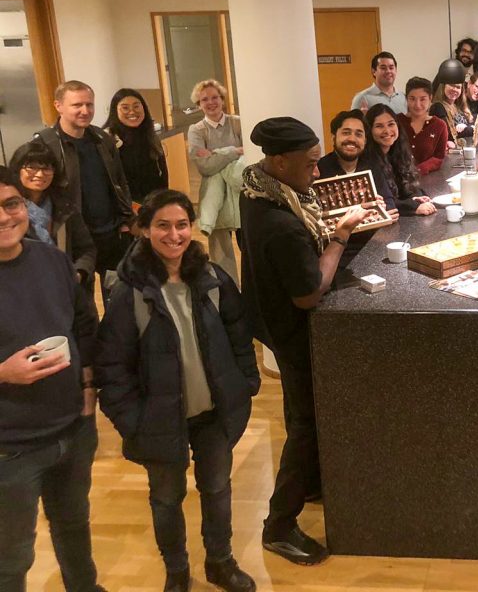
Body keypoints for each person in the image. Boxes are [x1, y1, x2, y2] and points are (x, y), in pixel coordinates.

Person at [96, 190, 259, 592]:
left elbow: (239, 334)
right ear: (145, 230)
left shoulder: (213, 278)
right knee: (166, 498)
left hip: (214, 412)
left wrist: (246, 383)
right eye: (163, 226)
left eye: (182, 224)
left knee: (218, 489)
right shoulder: (129, 290)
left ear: (192, 227)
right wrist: (132, 421)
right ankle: (177, 571)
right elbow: (112, 367)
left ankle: (221, 562)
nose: (174, 234)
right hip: (158, 418)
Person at [238, 117, 368, 565]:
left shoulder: (257, 190)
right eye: (310, 164)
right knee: (306, 426)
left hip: (270, 323)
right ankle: (278, 524)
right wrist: (341, 235)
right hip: (293, 332)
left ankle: (312, 485)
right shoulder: (282, 224)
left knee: (299, 412)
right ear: (279, 161)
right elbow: (311, 291)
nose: (317, 172)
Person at [0, 166, 107, 592]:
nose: (5, 218)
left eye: (11, 204)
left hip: (72, 428)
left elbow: (83, 324)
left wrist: (87, 392)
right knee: (12, 557)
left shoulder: (50, 259)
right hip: (10, 448)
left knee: (74, 529)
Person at [34, 80, 133, 297]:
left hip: (111, 235)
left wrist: (126, 221)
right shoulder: (45, 145)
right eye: (77, 105)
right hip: (74, 241)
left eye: (89, 105)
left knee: (119, 298)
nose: (85, 111)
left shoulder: (102, 139)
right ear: (58, 106)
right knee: (81, 303)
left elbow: (120, 181)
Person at [11, 140, 96, 286]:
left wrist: (78, 274)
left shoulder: (66, 206)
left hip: (65, 286)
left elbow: (86, 248)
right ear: (17, 170)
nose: (39, 174)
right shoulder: (8, 211)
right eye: (31, 167)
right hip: (21, 288)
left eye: (46, 168)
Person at [187, 79, 244, 285]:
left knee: (249, 247)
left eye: (215, 97)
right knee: (221, 255)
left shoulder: (238, 122)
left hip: (240, 192)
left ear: (222, 99)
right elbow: (205, 167)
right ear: (198, 104)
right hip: (214, 196)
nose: (210, 103)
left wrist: (215, 154)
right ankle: (228, 293)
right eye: (204, 99)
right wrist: (234, 151)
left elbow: (250, 156)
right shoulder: (196, 130)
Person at [316, 110, 398, 217]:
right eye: (346, 133)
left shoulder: (371, 166)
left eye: (359, 134)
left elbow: (390, 205)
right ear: (333, 137)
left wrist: (382, 206)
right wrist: (368, 209)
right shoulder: (319, 169)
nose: (352, 139)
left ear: (365, 141)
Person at [364, 105, 438, 216]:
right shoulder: (368, 162)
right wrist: (413, 207)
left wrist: (416, 198)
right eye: (379, 126)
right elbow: (386, 204)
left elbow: (407, 186)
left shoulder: (397, 152)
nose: (387, 130)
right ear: (369, 131)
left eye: (391, 124)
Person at [102, 89, 168, 204]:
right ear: (114, 111)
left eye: (136, 106)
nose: (132, 112)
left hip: (153, 204)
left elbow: (163, 174)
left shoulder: (150, 136)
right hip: (124, 208)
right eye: (125, 108)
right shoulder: (108, 139)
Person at [397, 78, 449, 175]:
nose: (417, 104)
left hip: (426, 180)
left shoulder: (439, 126)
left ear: (430, 99)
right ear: (406, 99)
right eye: (412, 99)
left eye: (422, 99)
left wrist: (417, 171)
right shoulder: (396, 122)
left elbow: (439, 158)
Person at [430, 76, 472, 146]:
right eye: (451, 85)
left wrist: (468, 128)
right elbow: (448, 134)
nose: (454, 89)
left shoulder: (458, 107)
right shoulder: (438, 107)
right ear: (443, 86)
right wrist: (470, 129)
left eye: (458, 87)